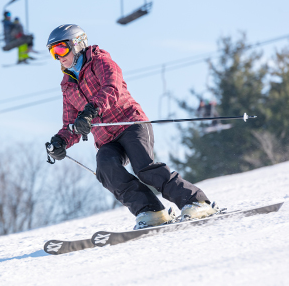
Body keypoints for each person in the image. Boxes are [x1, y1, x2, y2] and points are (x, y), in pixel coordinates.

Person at [45, 24, 218, 230]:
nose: (58, 57)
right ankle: (151, 210)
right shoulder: (68, 84)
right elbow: (71, 123)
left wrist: (91, 111)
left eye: (61, 49)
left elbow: (112, 88)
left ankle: (196, 201)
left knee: (144, 168)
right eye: (52, 52)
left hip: (130, 123)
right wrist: (60, 141)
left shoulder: (100, 61)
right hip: (106, 138)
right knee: (106, 168)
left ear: (77, 44)